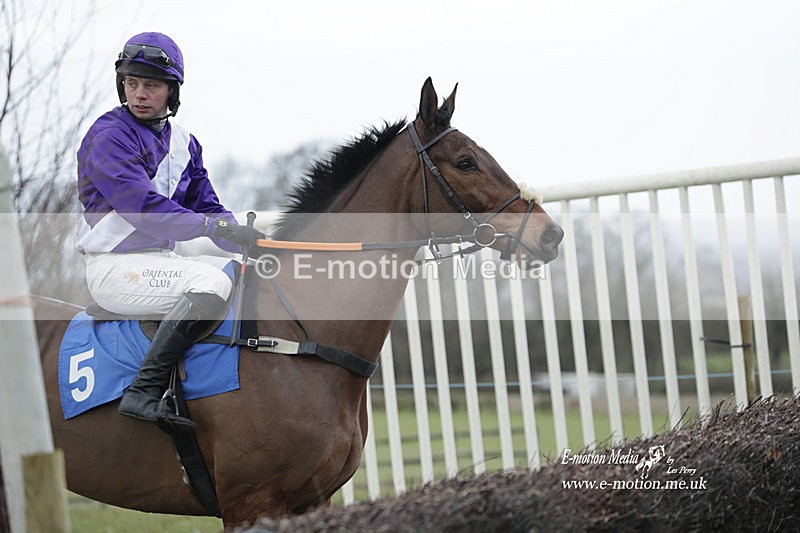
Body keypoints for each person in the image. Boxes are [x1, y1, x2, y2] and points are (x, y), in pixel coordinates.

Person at [76, 32, 263, 432]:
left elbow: (207, 206)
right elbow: (143, 208)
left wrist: (245, 238)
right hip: (115, 269)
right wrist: (207, 226)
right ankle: (143, 391)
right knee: (211, 283)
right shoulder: (109, 137)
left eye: (151, 85)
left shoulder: (184, 144)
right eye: (131, 83)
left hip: (158, 263)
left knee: (234, 273)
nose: (139, 94)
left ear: (171, 91)